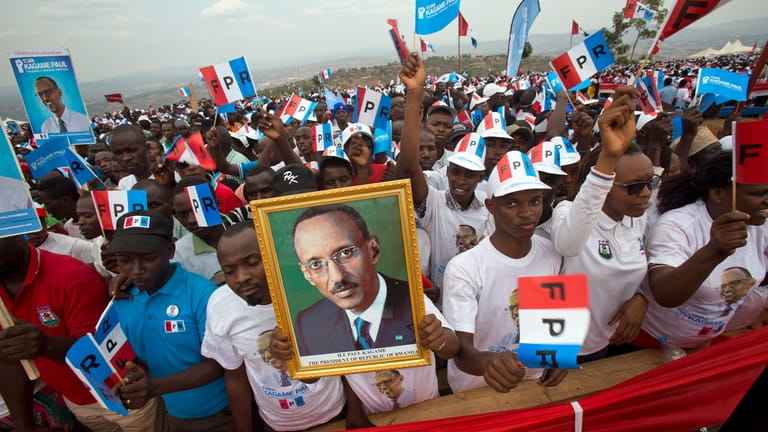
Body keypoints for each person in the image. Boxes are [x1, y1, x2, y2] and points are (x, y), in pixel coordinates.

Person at [0, 234, 164, 431]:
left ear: (16, 233)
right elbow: (9, 356)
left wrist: (46, 345)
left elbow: (103, 357)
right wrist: (24, 424)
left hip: (127, 399)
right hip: (79, 403)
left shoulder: (71, 278)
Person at [201, 221, 346, 432]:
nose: (242, 277)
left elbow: (349, 357)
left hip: (335, 414)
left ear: (272, 256)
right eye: (230, 271)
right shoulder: (220, 305)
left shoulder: (314, 290)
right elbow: (235, 376)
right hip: (275, 424)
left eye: (252, 262)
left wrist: (355, 413)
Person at [443, 151, 568, 393]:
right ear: (491, 206)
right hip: (475, 390)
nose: (527, 213)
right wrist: (490, 363)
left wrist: (561, 352)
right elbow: (462, 352)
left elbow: (555, 319)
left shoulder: (553, 253)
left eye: (535, 201)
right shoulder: (464, 268)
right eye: (512, 203)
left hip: (533, 382)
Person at [545, 86, 653, 362]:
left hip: (609, 344)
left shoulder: (636, 221)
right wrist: (609, 156)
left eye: (650, 183)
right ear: (605, 185)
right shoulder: (567, 212)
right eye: (633, 187)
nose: (645, 194)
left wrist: (641, 298)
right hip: (563, 350)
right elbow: (570, 244)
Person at [107, 210, 233, 431]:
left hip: (220, 415)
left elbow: (218, 363)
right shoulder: (122, 298)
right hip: (172, 414)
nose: (136, 271)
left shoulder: (202, 295)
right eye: (125, 260)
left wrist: (154, 387)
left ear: (170, 250)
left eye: (147, 258)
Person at [637, 151, 768, 350]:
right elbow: (665, 294)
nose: (767, 200)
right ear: (717, 193)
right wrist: (713, 251)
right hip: (648, 345)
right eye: (758, 194)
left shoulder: (761, 226)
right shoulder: (677, 226)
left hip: (704, 344)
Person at [291, 204, 415, 356]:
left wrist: (440, 339)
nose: (337, 277)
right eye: (316, 264)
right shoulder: (309, 323)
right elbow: (311, 377)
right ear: (307, 274)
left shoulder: (415, 301)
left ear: (373, 250)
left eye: (345, 253)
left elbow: (449, 348)